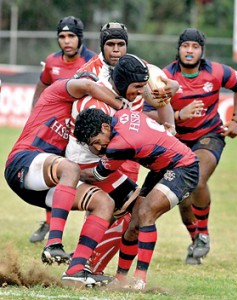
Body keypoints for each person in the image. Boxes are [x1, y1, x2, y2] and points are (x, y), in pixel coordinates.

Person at [65, 24, 178, 274]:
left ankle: (90, 263)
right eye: (110, 45)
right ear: (101, 46)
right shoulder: (90, 74)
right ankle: (86, 263)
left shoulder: (140, 69)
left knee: (125, 212)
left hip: (128, 152)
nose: (116, 50)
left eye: (121, 44)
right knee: (115, 205)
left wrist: (169, 123)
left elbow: (164, 98)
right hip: (96, 152)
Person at [4, 74, 129, 287]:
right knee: (70, 168)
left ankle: (76, 270)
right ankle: (53, 243)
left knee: (104, 203)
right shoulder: (56, 94)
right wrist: (123, 107)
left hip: (47, 187)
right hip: (23, 162)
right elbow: (88, 85)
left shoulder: (80, 124)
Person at [143, 28, 237, 264]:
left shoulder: (217, 72)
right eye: (185, 46)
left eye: (195, 46)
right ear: (178, 49)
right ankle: (195, 239)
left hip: (209, 135)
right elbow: (147, 114)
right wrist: (179, 115)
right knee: (182, 193)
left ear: (202, 50)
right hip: (177, 140)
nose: (189, 51)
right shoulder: (164, 76)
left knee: (196, 178)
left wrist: (236, 120)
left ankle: (204, 234)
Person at [73, 106, 199, 290]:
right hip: (163, 168)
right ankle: (121, 279)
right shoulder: (122, 115)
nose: (99, 147)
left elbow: (96, 176)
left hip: (184, 168)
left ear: (105, 127)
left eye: (97, 141)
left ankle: (140, 280)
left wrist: (67, 170)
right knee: (134, 225)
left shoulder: (119, 145)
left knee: (146, 212)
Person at [29, 16, 97, 244]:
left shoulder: (93, 62)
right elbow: (43, 86)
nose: (66, 41)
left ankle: (94, 224)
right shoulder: (51, 61)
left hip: (82, 133)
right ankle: (50, 222)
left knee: (90, 176)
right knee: (53, 175)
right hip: (56, 130)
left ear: (80, 38)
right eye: (62, 36)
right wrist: (35, 115)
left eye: (71, 36)